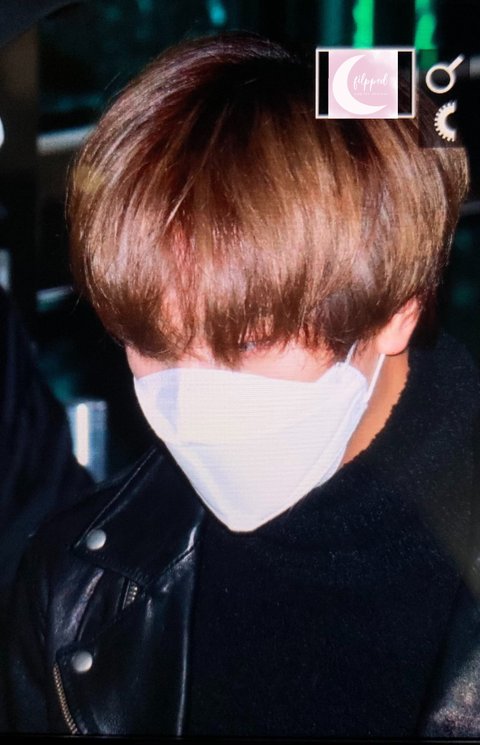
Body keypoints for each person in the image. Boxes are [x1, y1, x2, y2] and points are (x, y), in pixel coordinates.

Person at [6, 32, 480, 737]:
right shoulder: (78, 586)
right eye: (152, 342)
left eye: (250, 341)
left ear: (395, 314)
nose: (192, 401)